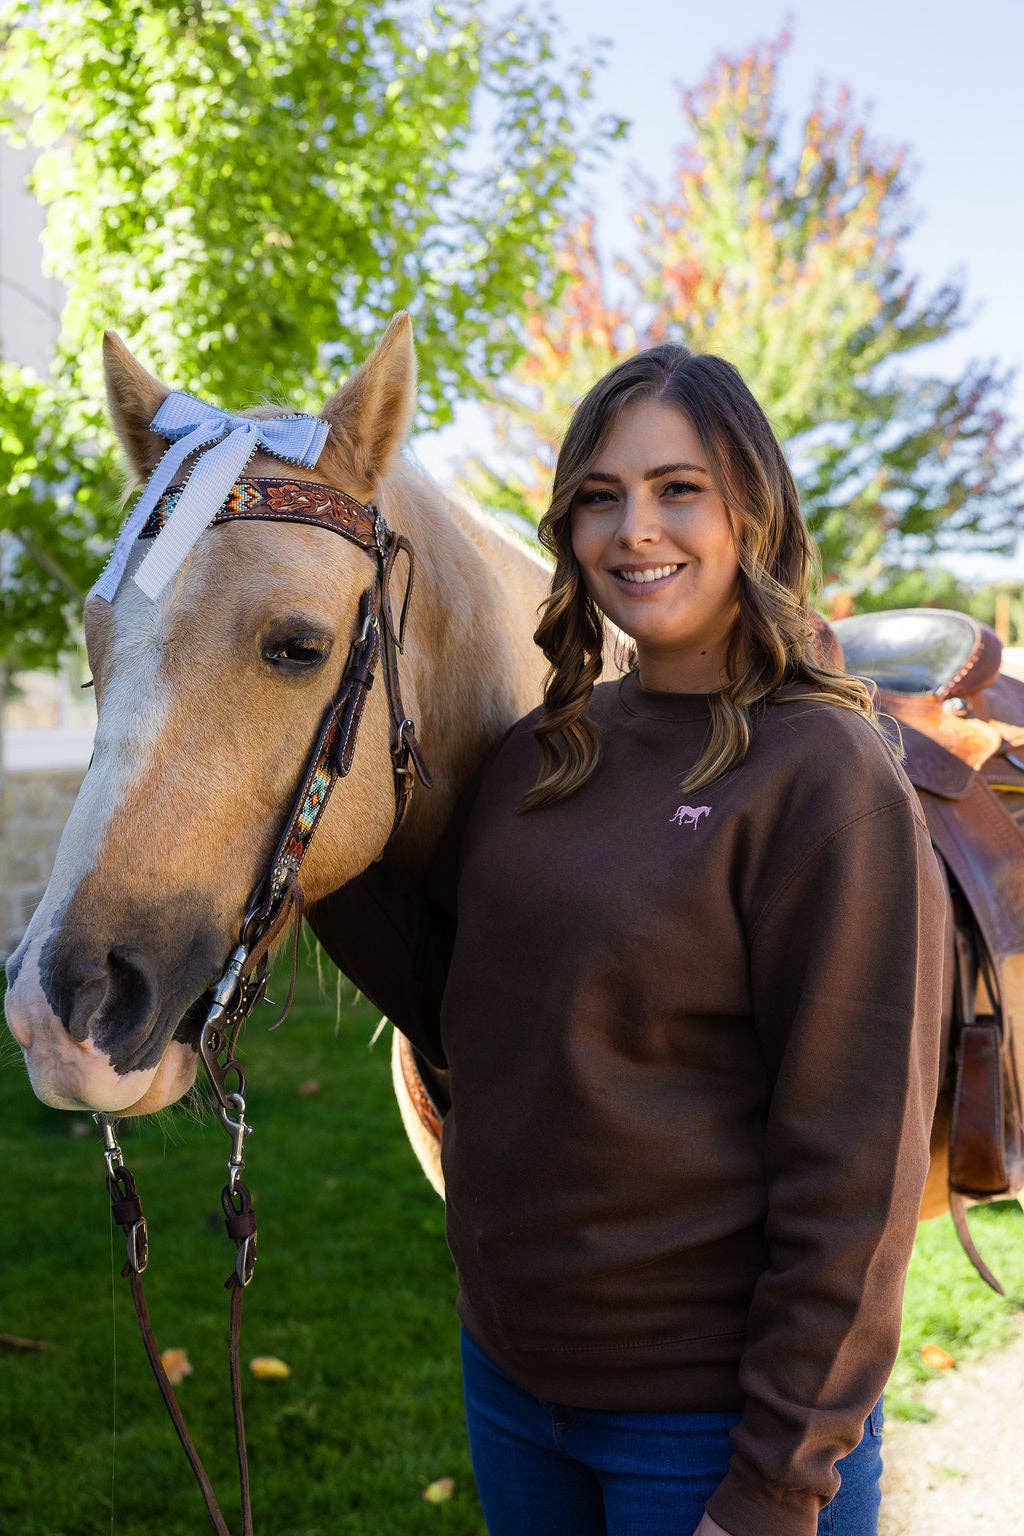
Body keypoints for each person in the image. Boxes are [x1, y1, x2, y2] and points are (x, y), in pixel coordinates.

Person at [309, 345, 948, 1536]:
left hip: (705, 1429)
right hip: (513, 1383)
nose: (632, 529)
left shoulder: (822, 776)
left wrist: (773, 1483)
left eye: (675, 489)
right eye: (599, 496)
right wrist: (309, 846)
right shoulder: (541, 751)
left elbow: (854, 1172)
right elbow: (469, 1016)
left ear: (749, 507)